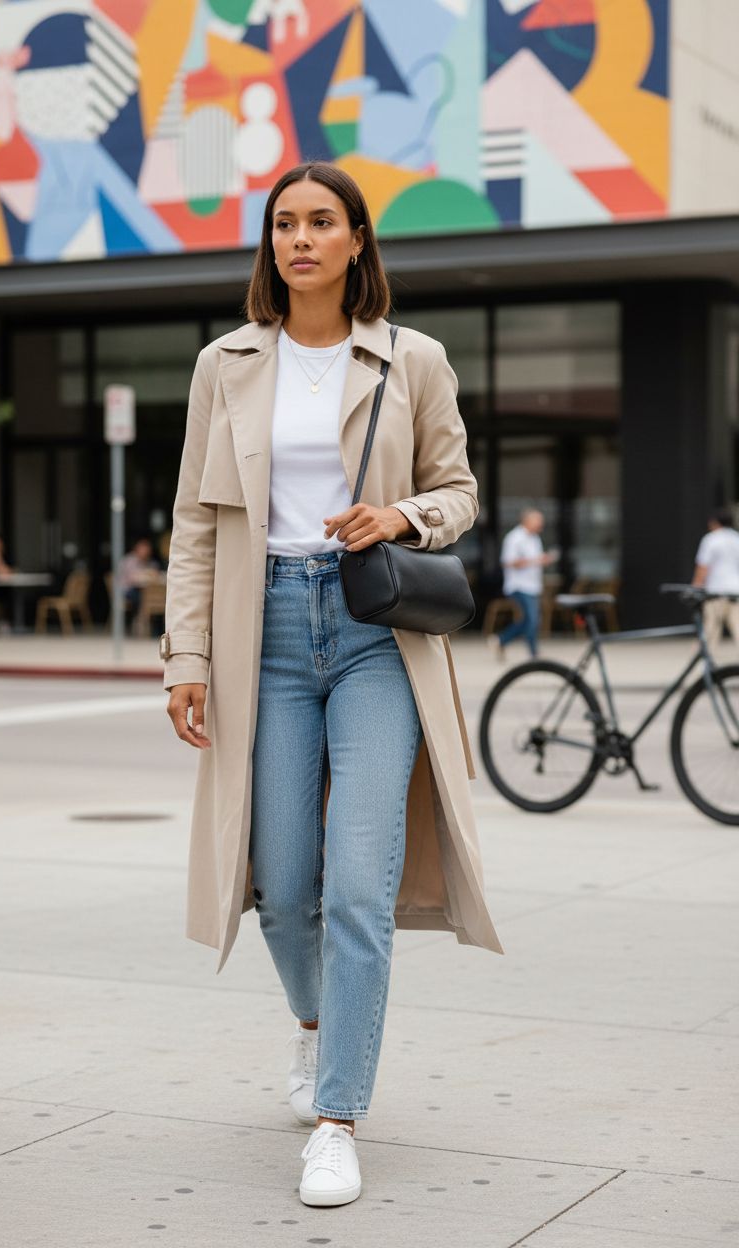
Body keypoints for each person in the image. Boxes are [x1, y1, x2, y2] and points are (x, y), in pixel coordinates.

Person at [161, 161, 503, 1209]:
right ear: (269, 245)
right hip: (259, 632)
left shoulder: (413, 360)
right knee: (279, 886)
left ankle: (337, 1116)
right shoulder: (224, 365)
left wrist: (401, 515)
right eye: (283, 224)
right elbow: (190, 524)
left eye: (321, 222)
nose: (300, 239)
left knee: (359, 884)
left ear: (357, 240)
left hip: (370, 636)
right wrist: (185, 655)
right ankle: (314, 1027)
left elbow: (460, 490)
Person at [492, 508, 558, 659]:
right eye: (538, 520)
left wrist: (543, 560)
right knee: (532, 619)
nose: (541, 524)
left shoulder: (535, 538)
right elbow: (508, 562)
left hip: (533, 586)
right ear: (527, 521)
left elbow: (535, 561)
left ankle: (501, 640)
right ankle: (533, 652)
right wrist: (536, 560)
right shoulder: (514, 538)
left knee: (530, 620)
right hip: (518, 586)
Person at [692, 506, 739, 651]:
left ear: (714, 522)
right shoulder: (736, 539)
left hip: (716, 590)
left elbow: (703, 566)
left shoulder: (711, 539)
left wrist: (696, 585)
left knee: (711, 627)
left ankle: (706, 657)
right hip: (736, 589)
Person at [117, 537, 159, 618]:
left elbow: (155, 575)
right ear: (137, 549)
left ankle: (153, 622)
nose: (145, 552)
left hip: (146, 590)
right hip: (128, 590)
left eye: (147, 550)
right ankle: (141, 619)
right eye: (143, 549)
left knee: (155, 596)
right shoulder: (129, 560)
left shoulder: (151, 562)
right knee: (141, 597)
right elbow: (132, 580)